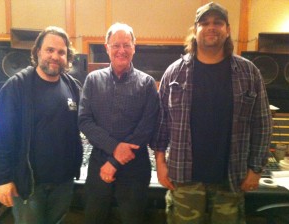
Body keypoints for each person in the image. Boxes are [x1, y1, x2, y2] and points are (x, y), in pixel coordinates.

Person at [150, 2, 272, 224]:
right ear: (195, 30)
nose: (211, 27)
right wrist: (160, 163)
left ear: (228, 30)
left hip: (231, 177)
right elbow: (161, 124)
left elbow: (262, 124)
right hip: (184, 178)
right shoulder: (174, 73)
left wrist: (255, 169)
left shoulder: (248, 73)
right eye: (204, 23)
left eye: (218, 23)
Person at [0, 26, 83, 224]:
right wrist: (3, 179)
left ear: (67, 57)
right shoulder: (17, 87)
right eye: (50, 50)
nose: (55, 56)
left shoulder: (72, 86)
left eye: (61, 52)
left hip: (63, 182)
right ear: (38, 51)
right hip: (29, 185)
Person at [78, 22, 159, 224]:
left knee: (134, 219)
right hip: (99, 163)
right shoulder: (92, 80)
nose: (121, 50)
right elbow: (84, 120)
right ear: (107, 47)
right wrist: (115, 149)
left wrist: (114, 162)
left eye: (126, 44)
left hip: (135, 168)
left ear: (134, 47)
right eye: (115, 45)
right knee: (93, 219)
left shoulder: (148, 83)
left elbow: (147, 126)